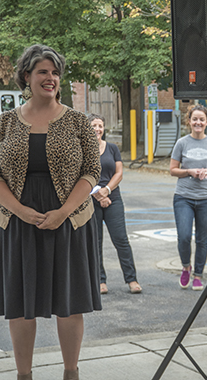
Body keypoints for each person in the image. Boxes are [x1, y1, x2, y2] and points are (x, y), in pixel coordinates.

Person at [0, 44, 101, 380]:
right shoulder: (4, 122)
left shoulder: (79, 121)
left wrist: (63, 212)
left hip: (69, 222)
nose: (50, 78)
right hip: (15, 223)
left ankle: (71, 372)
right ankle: (24, 375)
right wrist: (18, 210)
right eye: (42, 72)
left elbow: (92, 171)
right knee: (20, 304)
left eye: (55, 72)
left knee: (70, 301)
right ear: (26, 77)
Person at [88, 114, 142, 295]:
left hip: (113, 198)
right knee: (95, 242)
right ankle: (100, 280)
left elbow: (119, 173)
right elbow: (82, 176)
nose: (97, 129)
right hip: (91, 200)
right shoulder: (83, 150)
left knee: (121, 239)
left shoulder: (112, 148)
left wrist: (107, 191)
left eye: (100, 126)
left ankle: (131, 279)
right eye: (94, 125)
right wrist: (98, 194)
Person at [169, 104, 207, 291]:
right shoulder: (182, 143)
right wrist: (189, 171)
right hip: (184, 197)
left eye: (201, 119)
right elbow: (172, 170)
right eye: (194, 119)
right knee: (184, 236)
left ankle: (198, 275)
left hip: (206, 198)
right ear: (189, 122)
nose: (198, 122)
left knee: (202, 239)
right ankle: (185, 266)